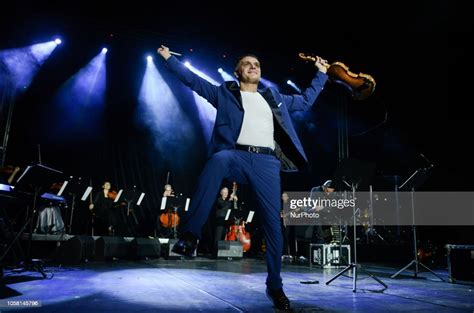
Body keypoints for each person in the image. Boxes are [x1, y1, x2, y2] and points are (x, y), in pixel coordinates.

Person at [157, 45, 328, 310]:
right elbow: (194, 81)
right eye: (247, 63)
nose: (253, 66)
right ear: (238, 72)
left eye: (256, 64)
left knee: (274, 226)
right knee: (217, 159)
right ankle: (190, 236)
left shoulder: (273, 97)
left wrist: (321, 73)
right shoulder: (225, 93)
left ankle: (275, 287)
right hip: (235, 156)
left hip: (266, 163)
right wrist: (168, 58)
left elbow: (305, 100)